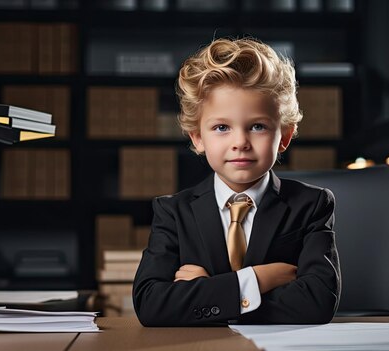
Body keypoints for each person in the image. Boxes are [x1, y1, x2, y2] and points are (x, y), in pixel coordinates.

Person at [133, 37, 340, 326]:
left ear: (285, 136)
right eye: (221, 127)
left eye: (257, 126)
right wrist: (257, 279)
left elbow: (317, 303)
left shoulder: (311, 205)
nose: (240, 142)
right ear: (197, 137)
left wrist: (207, 292)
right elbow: (151, 305)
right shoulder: (173, 212)